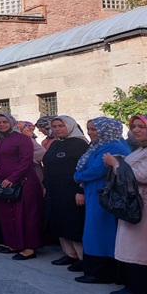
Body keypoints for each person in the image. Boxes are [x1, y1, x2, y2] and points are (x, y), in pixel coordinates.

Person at [102, 114, 147, 294]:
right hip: (139, 201)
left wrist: (116, 165)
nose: (137, 130)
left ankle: (139, 288)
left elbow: (145, 175)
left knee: (140, 246)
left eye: (142, 126)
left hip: (146, 204)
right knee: (145, 245)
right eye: (134, 126)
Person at [73, 117, 130, 283]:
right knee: (94, 231)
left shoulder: (113, 146)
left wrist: (78, 176)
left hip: (104, 194)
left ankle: (101, 272)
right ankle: (96, 270)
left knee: (99, 232)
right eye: (89, 129)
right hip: (95, 193)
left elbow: (96, 170)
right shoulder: (100, 145)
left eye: (94, 129)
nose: (90, 133)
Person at [0, 113, 44, 260]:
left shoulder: (22, 139)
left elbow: (26, 161)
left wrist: (12, 178)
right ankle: (15, 243)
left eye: (4, 122)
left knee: (26, 215)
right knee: (9, 215)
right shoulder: (0, 140)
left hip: (23, 182)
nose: (2, 125)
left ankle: (29, 248)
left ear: (11, 123)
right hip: (4, 183)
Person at [42, 116, 89, 272]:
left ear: (69, 126)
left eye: (60, 126)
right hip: (55, 190)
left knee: (73, 224)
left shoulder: (80, 144)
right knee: (60, 222)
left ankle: (83, 258)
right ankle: (70, 254)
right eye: (54, 126)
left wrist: (80, 190)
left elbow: (83, 169)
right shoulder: (55, 144)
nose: (57, 129)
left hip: (72, 191)